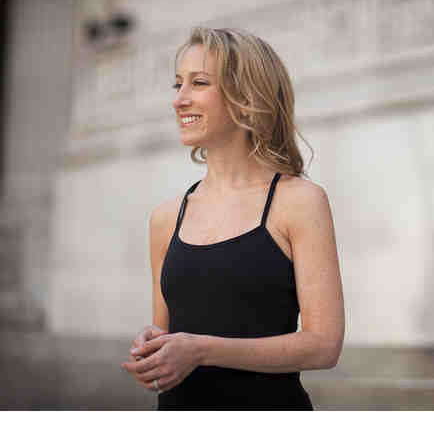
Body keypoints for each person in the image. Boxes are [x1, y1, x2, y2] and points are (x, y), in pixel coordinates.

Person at [120, 26, 345, 410]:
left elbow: (324, 346)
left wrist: (200, 350)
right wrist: (153, 348)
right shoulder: (166, 218)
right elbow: (168, 333)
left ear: (246, 98)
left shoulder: (299, 202)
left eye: (198, 83)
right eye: (177, 84)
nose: (179, 100)